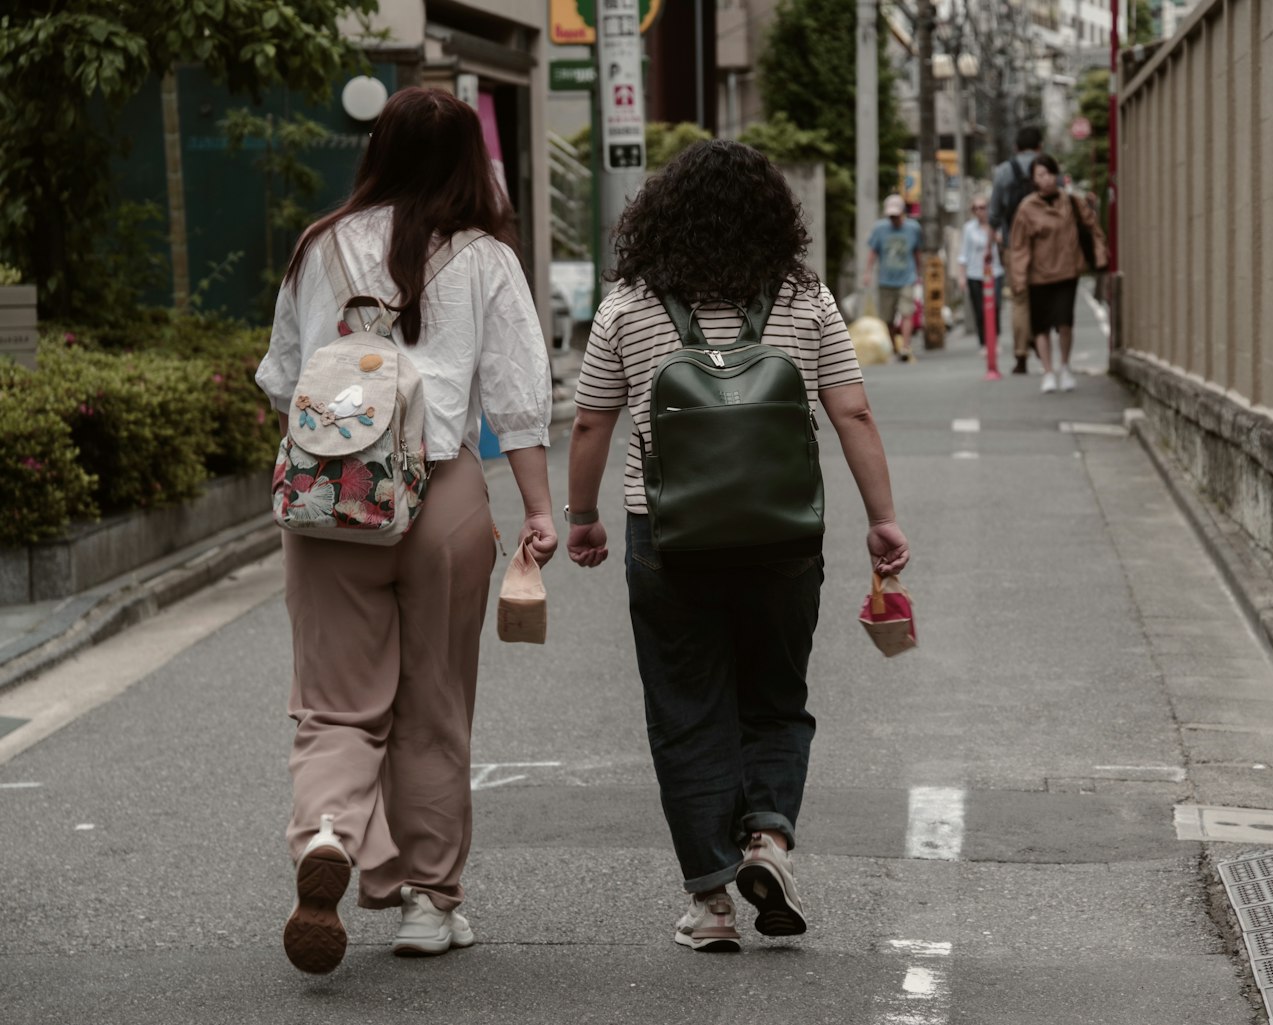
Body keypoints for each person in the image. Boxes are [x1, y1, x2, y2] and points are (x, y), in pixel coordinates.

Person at [564, 140, 911, 953]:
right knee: (775, 698)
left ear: (661, 214)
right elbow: (852, 413)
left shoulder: (630, 303)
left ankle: (713, 902)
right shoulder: (804, 296)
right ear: (772, 214)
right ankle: (768, 842)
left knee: (687, 713)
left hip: (669, 536)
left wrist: (583, 515)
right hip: (783, 536)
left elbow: (588, 421)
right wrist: (882, 517)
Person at [255, 86, 557, 975]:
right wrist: (539, 509)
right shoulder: (484, 259)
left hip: (330, 498)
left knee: (333, 704)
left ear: (376, 150)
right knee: (434, 703)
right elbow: (517, 398)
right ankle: (429, 901)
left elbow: (283, 380)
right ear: (471, 163)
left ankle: (330, 836)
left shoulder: (319, 245)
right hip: (443, 492)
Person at [1006, 152, 1108, 395]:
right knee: (1040, 326)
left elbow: (1092, 227)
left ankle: (1064, 366)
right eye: (1041, 174)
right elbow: (1019, 247)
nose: (1048, 179)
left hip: (1067, 271)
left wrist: (1100, 255)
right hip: (1038, 276)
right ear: (1033, 179)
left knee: (1065, 323)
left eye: (1050, 173)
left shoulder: (1071, 201)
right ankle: (1048, 371)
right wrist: (1018, 279)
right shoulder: (1027, 208)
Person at [990, 126, 1043, 374]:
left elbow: (993, 214)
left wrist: (995, 242)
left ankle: (1020, 355)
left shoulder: (1003, 171)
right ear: (1039, 146)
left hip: (1014, 245)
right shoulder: (1047, 167)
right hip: (1045, 245)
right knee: (1042, 295)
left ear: (1016, 147)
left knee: (1019, 299)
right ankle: (1044, 350)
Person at [862, 193, 922, 361]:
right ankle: (895, 345)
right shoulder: (879, 229)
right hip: (886, 279)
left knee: (906, 312)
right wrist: (867, 273)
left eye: (896, 215)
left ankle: (905, 346)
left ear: (902, 212)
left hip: (907, 278)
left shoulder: (913, 228)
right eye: (891, 216)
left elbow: (917, 251)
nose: (893, 218)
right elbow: (873, 252)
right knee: (887, 319)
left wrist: (919, 272)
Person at [957, 194, 1003, 350]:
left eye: (982, 207)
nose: (979, 211)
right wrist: (962, 276)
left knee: (995, 306)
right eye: (975, 208)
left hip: (995, 271)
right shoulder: (969, 228)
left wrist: (996, 237)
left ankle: (995, 339)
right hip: (975, 273)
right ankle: (984, 342)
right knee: (979, 309)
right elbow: (964, 253)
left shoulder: (996, 225)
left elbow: (1004, 245)